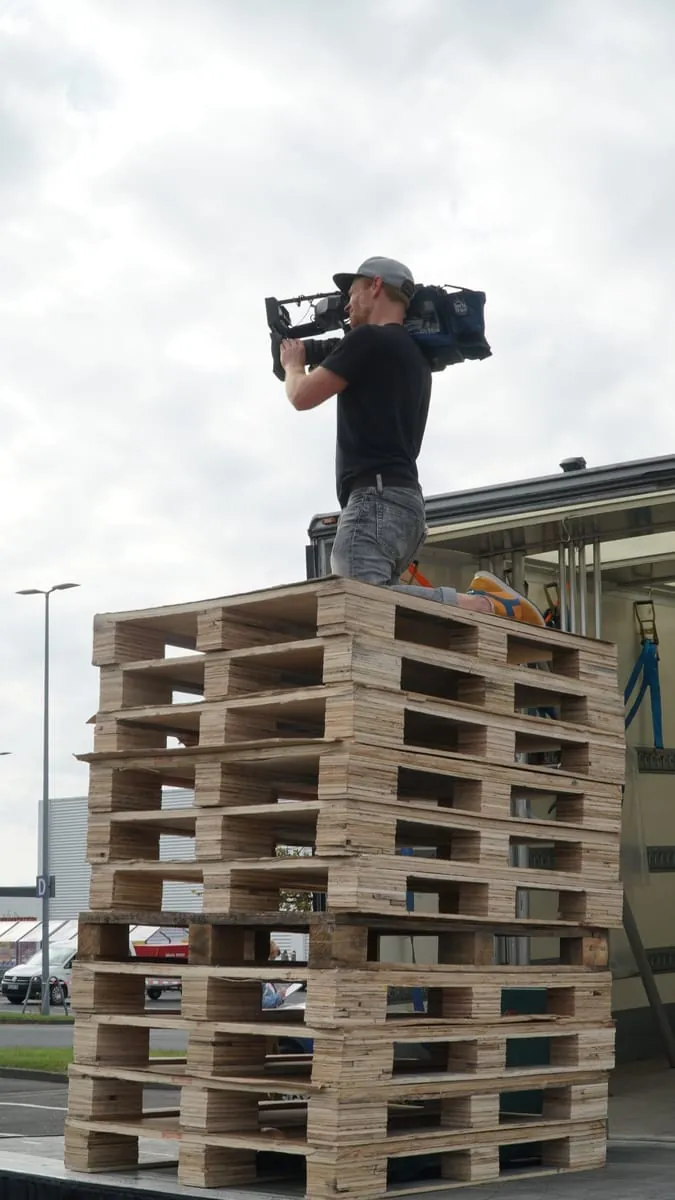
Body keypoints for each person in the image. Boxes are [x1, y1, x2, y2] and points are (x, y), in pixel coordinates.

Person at [280, 255, 543, 627]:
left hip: (376, 499)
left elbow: (301, 395)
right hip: (403, 504)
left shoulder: (369, 340)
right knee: (377, 610)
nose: (347, 304)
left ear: (374, 285)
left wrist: (293, 363)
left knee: (357, 595)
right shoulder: (414, 356)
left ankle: (487, 607)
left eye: (352, 292)